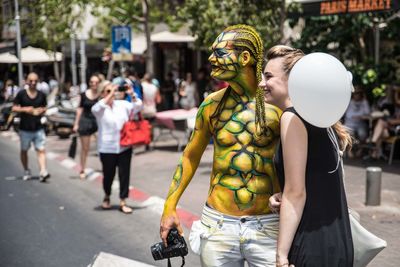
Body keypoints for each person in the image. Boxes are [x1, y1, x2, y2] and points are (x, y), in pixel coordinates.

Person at [160, 25, 281, 267]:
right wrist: (169, 206)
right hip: (218, 224)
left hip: (268, 226)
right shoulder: (211, 106)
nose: (211, 58)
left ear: (245, 58)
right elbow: (190, 156)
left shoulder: (278, 106)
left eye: (220, 52)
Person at [260, 45, 353, 267]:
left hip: (312, 244)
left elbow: (297, 193)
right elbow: (317, 180)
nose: (262, 84)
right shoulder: (321, 118)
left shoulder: (292, 118)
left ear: (293, 81)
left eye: (269, 77)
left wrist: (281, 257)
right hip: (338, 241)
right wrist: (284, 193)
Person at [91, 81, 143, 214]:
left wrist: (132, 94)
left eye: (113, 91)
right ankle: (107, 195)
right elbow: (96, 108)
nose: (112, 94)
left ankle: (123, 201)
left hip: (124, 146)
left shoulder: (122, 104)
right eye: (107, 91)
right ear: (102, 93)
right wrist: (111, 94)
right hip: (107, 148)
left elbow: (138, 106)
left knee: (124, 175)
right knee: (108, 175)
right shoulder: (99, 108)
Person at [12, 72, 50, 182]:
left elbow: (45, 107)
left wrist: (40, 111)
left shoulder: (41, 95)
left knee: (41, 149)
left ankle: (43, 171)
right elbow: (14, 108)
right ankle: (26, 170)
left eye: (35, 81)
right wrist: (25, 109)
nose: (33, 83)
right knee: (24, 150)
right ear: (27, 81)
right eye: (31, 81)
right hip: (25, 128)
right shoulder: (21, 94)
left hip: (38, 127)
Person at [73, 74, 100, 179]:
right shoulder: (84, 95)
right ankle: (82, 169)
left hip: (97, 122)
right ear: (89, 83)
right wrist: (76, 124)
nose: (94, 84)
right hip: (85, 121)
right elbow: (79, 109)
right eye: (92, 82)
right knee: (85, 148)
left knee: (103, 146)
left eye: (96, 82)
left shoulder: (100, 95)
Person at [368, 85, 400, 160]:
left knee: (381, 122)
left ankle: (373, 143)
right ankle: (376, 153)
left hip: (395, 130)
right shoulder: (390, 104)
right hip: (387, 129)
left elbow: (397, 121)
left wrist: (390, 121)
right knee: (382, 131)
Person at [344, 86, 370, 157]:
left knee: (363, 134)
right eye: (355, 93)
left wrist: (365, 100)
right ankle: (349, 150)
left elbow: (368, 112)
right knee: (349, 133)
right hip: (349, 124)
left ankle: (360, 150)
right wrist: (360, 116)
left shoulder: (364, 102)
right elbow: (348, 115)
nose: (357, 95)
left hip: (360, 124)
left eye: (359, 93)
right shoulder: (349, 102)